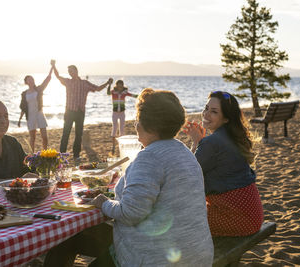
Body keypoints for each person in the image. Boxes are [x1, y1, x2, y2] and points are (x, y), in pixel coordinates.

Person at [44, 88, 214, 266]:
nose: (135, 124)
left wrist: (103, 202)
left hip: (157, 258)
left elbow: (130, 213)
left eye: (137, 118)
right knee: (75, 239)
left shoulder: (150, 157)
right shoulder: (183, 151)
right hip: (195, 253)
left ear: (148, 124)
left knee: (67, 241)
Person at [183, 91, 264, 236]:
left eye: (213, 112)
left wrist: (197, 142)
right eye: (206, 108)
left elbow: (188, 174)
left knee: (180, 220)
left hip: (237, 218)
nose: (206, 114)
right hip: (253, 215)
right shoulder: (232, 137)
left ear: (226, 118)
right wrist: (199, 143)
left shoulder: (212, 142)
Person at [50, 60, 113, 162]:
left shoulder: (84, 83)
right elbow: (57, 76)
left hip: (80, 112)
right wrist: (53, 66)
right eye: (69, 71)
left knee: (78, 135)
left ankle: (76, 155)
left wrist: (107, 83)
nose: (70, 73)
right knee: (65, 133)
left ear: (76, 71)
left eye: (71, 71)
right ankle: (61, 155)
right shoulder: (68, 82)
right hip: (69, 111)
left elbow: (97, 88)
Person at [18, 65, 53, 152]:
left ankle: (45, 153)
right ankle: (32, 154)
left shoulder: (39, 89)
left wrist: (52, 67)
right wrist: (20, 119)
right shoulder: (24, 94)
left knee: (44, 137)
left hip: (40, 114)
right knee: (32, 138)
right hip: (30, 116)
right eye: (29, 80)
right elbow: (23, 107)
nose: (31, 81)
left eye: (32, 79)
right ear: (26, 82)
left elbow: (47, 80)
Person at [107, 79, 138, 154]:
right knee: (114, 128)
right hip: (115, 113)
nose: (120, 87)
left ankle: (122, 146)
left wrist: (142, 95)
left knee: (122, 129)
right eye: (118, 85)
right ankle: (113, 147)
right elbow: (108, 93)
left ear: (123, 86)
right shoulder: (113, 92)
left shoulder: (125, 93)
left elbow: (134, 95)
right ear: (116, 86)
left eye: (121, 86)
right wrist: (109, 85)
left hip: (122, 113)